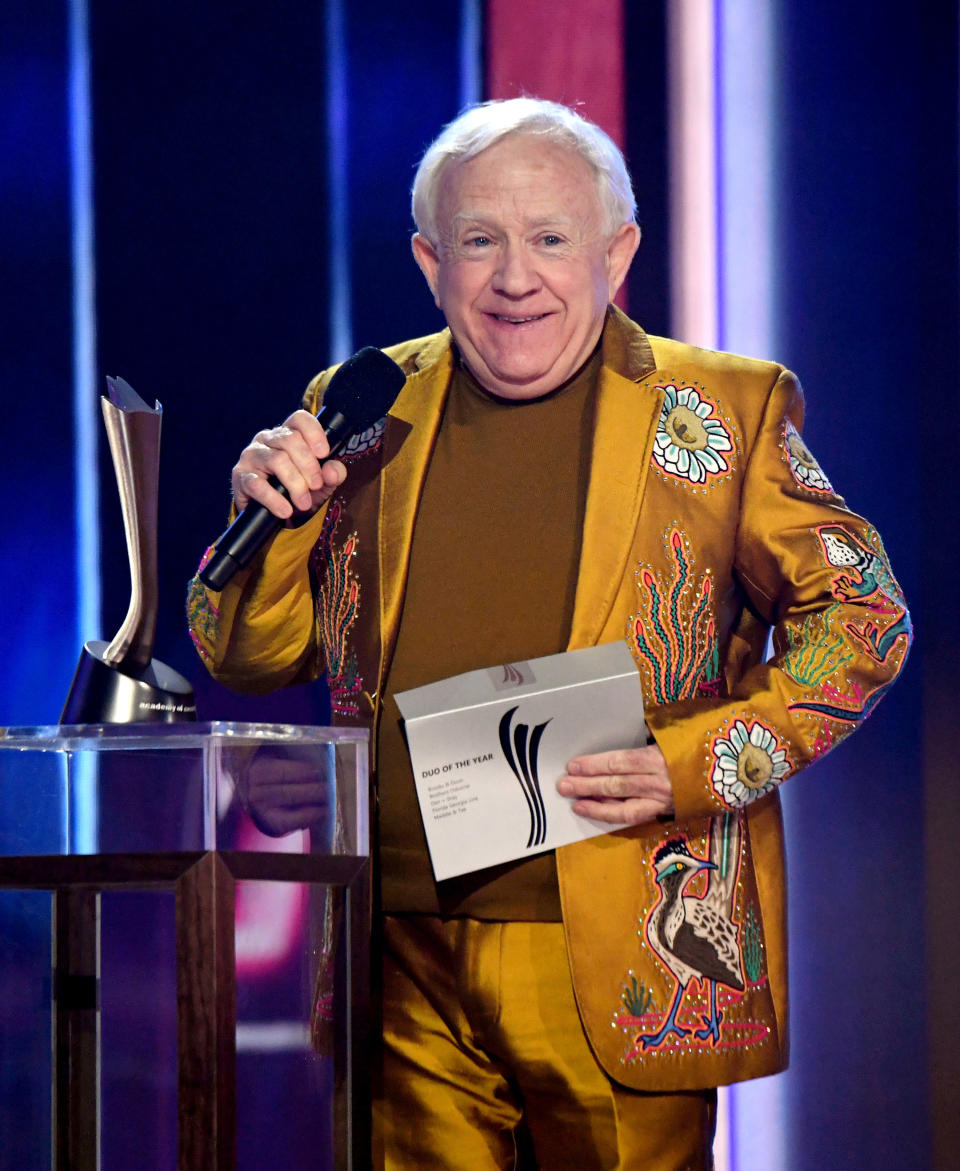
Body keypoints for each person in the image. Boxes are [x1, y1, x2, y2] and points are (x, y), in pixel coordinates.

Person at [187, 98, 910, 1169]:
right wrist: (276, 522)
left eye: (550, 239)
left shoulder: (723, 409)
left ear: (617, 252)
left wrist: (691, 766)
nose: (514, 277)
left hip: (629, 937)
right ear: (433, 261)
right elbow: (245, 654)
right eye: (480, 240)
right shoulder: (363, 406)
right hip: (399, 947)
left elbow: (863, 621)